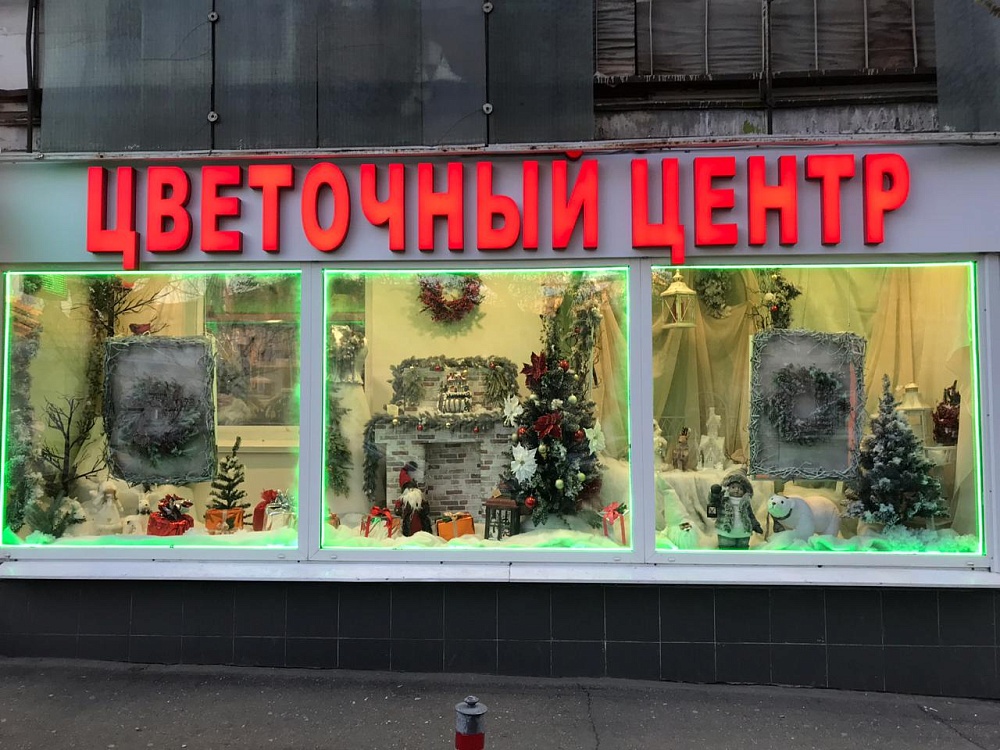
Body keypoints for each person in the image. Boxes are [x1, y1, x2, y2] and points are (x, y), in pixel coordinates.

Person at [713, 468, 762, 550]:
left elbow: (750, 515)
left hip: (743, 533)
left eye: (740, 488)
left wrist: (755, 525)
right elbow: (713, 501)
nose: (736, 490)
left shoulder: (745, 502)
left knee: (742, 551)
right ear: (727, 488)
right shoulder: (724, 499)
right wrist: (714, 493)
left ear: (745, 491)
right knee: (726, 550)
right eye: (733, 487)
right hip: (726, 532)